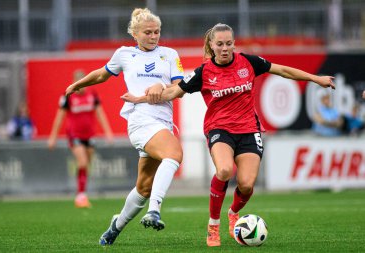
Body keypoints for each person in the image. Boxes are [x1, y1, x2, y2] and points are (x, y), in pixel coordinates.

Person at [121, 23, 335, 247]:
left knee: (246, 184)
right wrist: (140, 98)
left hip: (249, 130)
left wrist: (315, 78)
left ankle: (233, 214)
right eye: (220, 44)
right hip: (219, 129)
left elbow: (282, 70)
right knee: (224, 170)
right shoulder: (203, 72)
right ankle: (213, 225)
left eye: (229, 43)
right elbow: (174, 92)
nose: (225, 48)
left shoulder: (249, 62)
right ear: (211, 45)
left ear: (234, 43)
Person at [64, 8, 184, 246]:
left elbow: (178, 89)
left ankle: (114, 228)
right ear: (135, 34)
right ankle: (154, 211)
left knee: (144, 186)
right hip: (140, 121)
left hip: (162, 124)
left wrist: (161, 86)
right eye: (148, 32)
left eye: (157, 31)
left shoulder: (169, 54)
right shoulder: (124, 54)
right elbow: (101, 75)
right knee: (175, 154)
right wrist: (77, 84)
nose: (153, 36)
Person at [48, 69, 114, 208]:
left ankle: (82, 192)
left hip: (89, 135)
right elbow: (59, 117)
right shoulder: (67, 96)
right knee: (82, 162)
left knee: (86, 165)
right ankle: (80, 196)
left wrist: (108, 132)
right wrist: (53, 137)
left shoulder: (92, 95)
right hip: (74, 134)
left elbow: (100, 114)